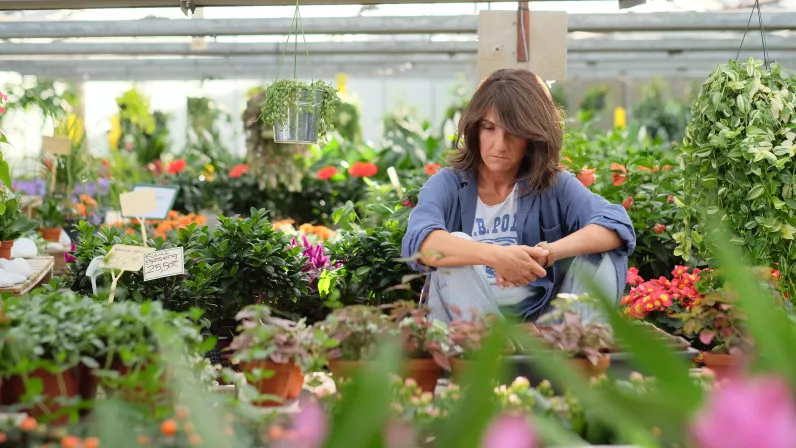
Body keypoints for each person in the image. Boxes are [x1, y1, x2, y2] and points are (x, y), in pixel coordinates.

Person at [401, 69, 636, 324]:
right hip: (467, 324)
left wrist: (548, 252)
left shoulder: (551, 183)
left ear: (531, 137)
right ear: (474, 129)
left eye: (512, 132)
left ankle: (574, 346)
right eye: (489, 128)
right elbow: (420, 243)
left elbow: (616, 223)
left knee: (604, 254)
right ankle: (494, 350)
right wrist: (497, 256)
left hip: (541, 323)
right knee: (453, 245)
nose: (499, 144)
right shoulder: (448, 183)